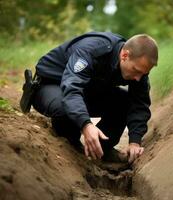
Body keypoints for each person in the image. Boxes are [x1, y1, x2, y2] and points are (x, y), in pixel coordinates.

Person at [27, 32, 158, 163]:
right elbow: (72, 90)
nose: (138, 78)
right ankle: (70, 146)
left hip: (86, 89)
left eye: (143, 73)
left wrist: (134, 142)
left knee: (124, 102)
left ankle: (100, 151)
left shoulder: (139, 68)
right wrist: (86, 125)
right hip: (51, 84)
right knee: (64, 105)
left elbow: (139, 104)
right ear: (124, 56)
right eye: (136, 71)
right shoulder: (93, 49)